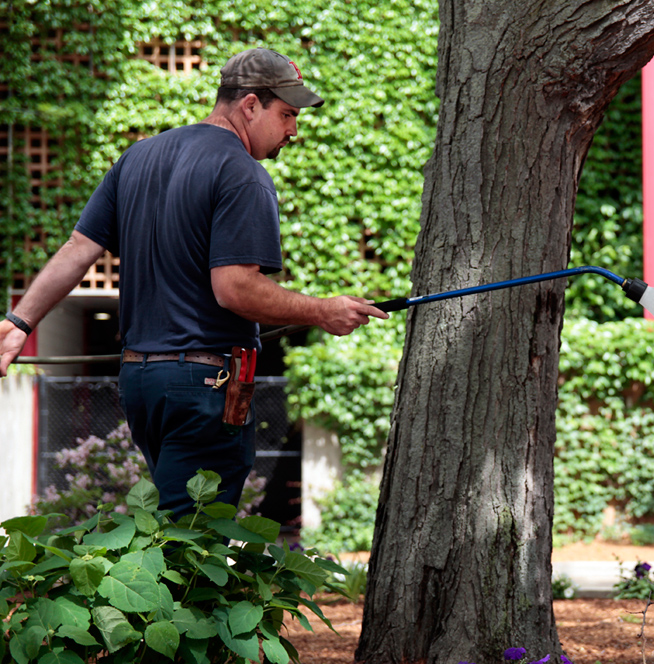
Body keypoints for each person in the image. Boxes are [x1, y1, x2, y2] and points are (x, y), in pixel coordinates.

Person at [0, 47, 389, 517]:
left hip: (141, 381)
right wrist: (322, 311)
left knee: (172, 527)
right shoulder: (245, 175)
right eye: (286, 114)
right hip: (203, 384)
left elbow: (77, 249)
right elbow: (234, 288)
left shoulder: (137, 158)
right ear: (249, 105)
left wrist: (19, 321)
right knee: (187, 548)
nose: (293, 131)